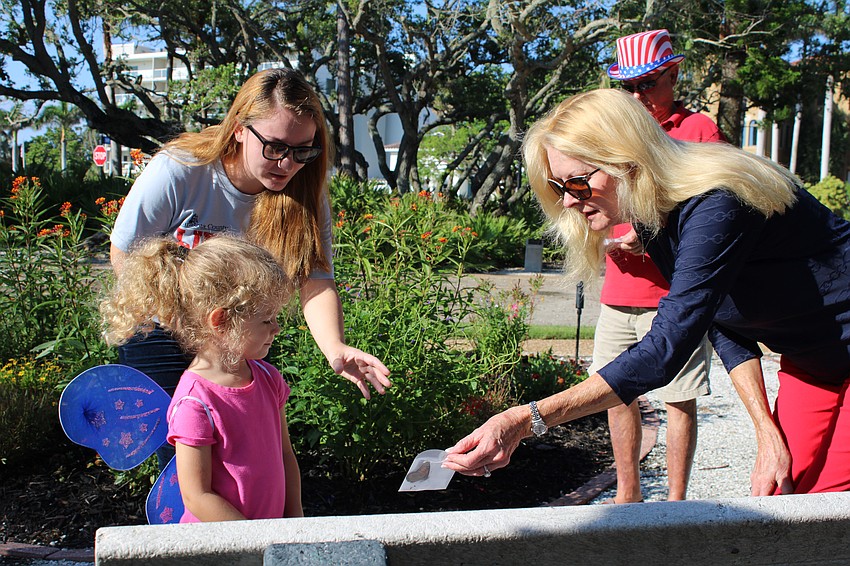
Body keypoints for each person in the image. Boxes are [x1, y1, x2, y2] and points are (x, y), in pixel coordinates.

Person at [444, 88, 850, 497]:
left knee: (825, 510)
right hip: (813, 367)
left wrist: (527, 418)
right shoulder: (656, 215)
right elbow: (723, 319)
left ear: (627, 161)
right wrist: (767, 434)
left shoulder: (717, 203)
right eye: (558, 186)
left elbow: (666, 349)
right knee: (785, 498)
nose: (568, 201)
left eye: (578, 183)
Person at [109, 68, 391, 468]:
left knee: (250, 445)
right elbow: (125, 255)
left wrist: (335, 348)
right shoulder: (181, 169)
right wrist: (190, 329)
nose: (288, 163)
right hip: (162, 323)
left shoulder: (304, 194)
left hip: (235, 331)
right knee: (188, 452)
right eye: (275, 146)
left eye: (303, 150)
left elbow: (315, 280)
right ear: (240, 128)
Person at [593, 29, 725, 503]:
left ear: (673, 74)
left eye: (647, 83)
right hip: (618, 292)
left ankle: (676, 503)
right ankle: (627, 497)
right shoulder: (616, 136)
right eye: (627, 87)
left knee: (677, 396)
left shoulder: (698, 131)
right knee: (614, 392)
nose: (636, 96)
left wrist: (646, 233)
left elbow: (717, 212)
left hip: (674, 293)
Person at [102, 235, 302, 521]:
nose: (277, 328)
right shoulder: (195, 402)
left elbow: (285, 455)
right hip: (223, 547)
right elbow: (196, 496)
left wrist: (295, 523)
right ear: (221, 322)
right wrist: (256, 541)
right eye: (267, 319)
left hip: (267, 541)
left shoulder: (268, 378)